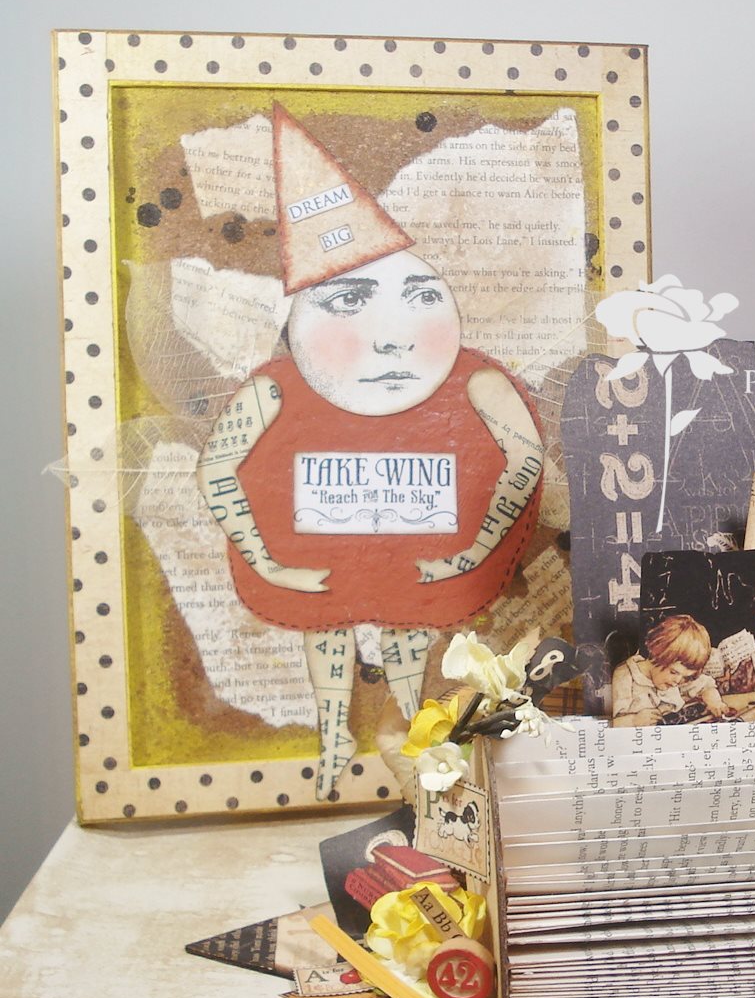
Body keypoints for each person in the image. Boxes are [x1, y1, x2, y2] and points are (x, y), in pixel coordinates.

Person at [196, 105, 543, 798]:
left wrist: (473, 554)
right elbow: (216, 469)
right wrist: (265, 559)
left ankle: (419, 753)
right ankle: (332, 743)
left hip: (419, 565)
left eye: (417, 297)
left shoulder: (473, 378)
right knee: (326, 632)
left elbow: (525, 458)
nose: (391, 336)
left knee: (409, 639)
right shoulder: (277, 387)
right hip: (319, 564)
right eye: (351, 302)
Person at [611, 615, 732, 726]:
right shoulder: (625, 676)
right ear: (658, 655)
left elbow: (705, 686)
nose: (678, 681)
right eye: (673, 672)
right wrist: (634, 720)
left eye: (686, 676)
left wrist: (714, 701)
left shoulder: (678, 679)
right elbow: (612, 723)